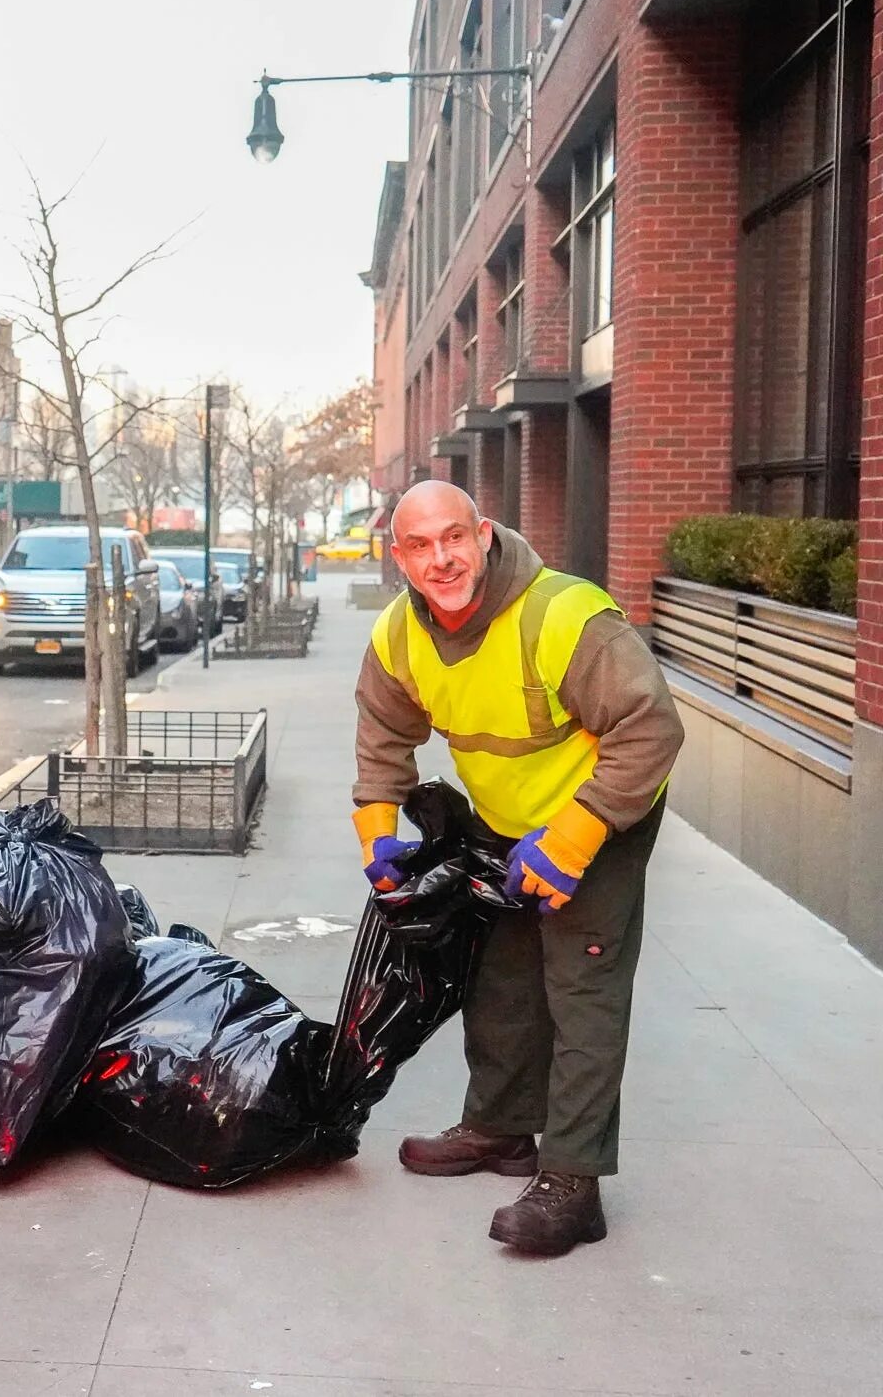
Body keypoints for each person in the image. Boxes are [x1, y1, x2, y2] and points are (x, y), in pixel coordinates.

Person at [352, 480, 683, 1257]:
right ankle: (502, 1131)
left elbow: (652, 731)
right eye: (421, 546)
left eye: (454, 538)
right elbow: (380, 740)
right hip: (505, 820)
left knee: (582, 984)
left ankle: (573, 1182)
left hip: (605, 812)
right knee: (500, 973)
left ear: (485, 535)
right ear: (396, 556)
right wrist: (378, 839)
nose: (442, 559)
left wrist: (571, 841)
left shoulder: (563, 615)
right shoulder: (399, 635)